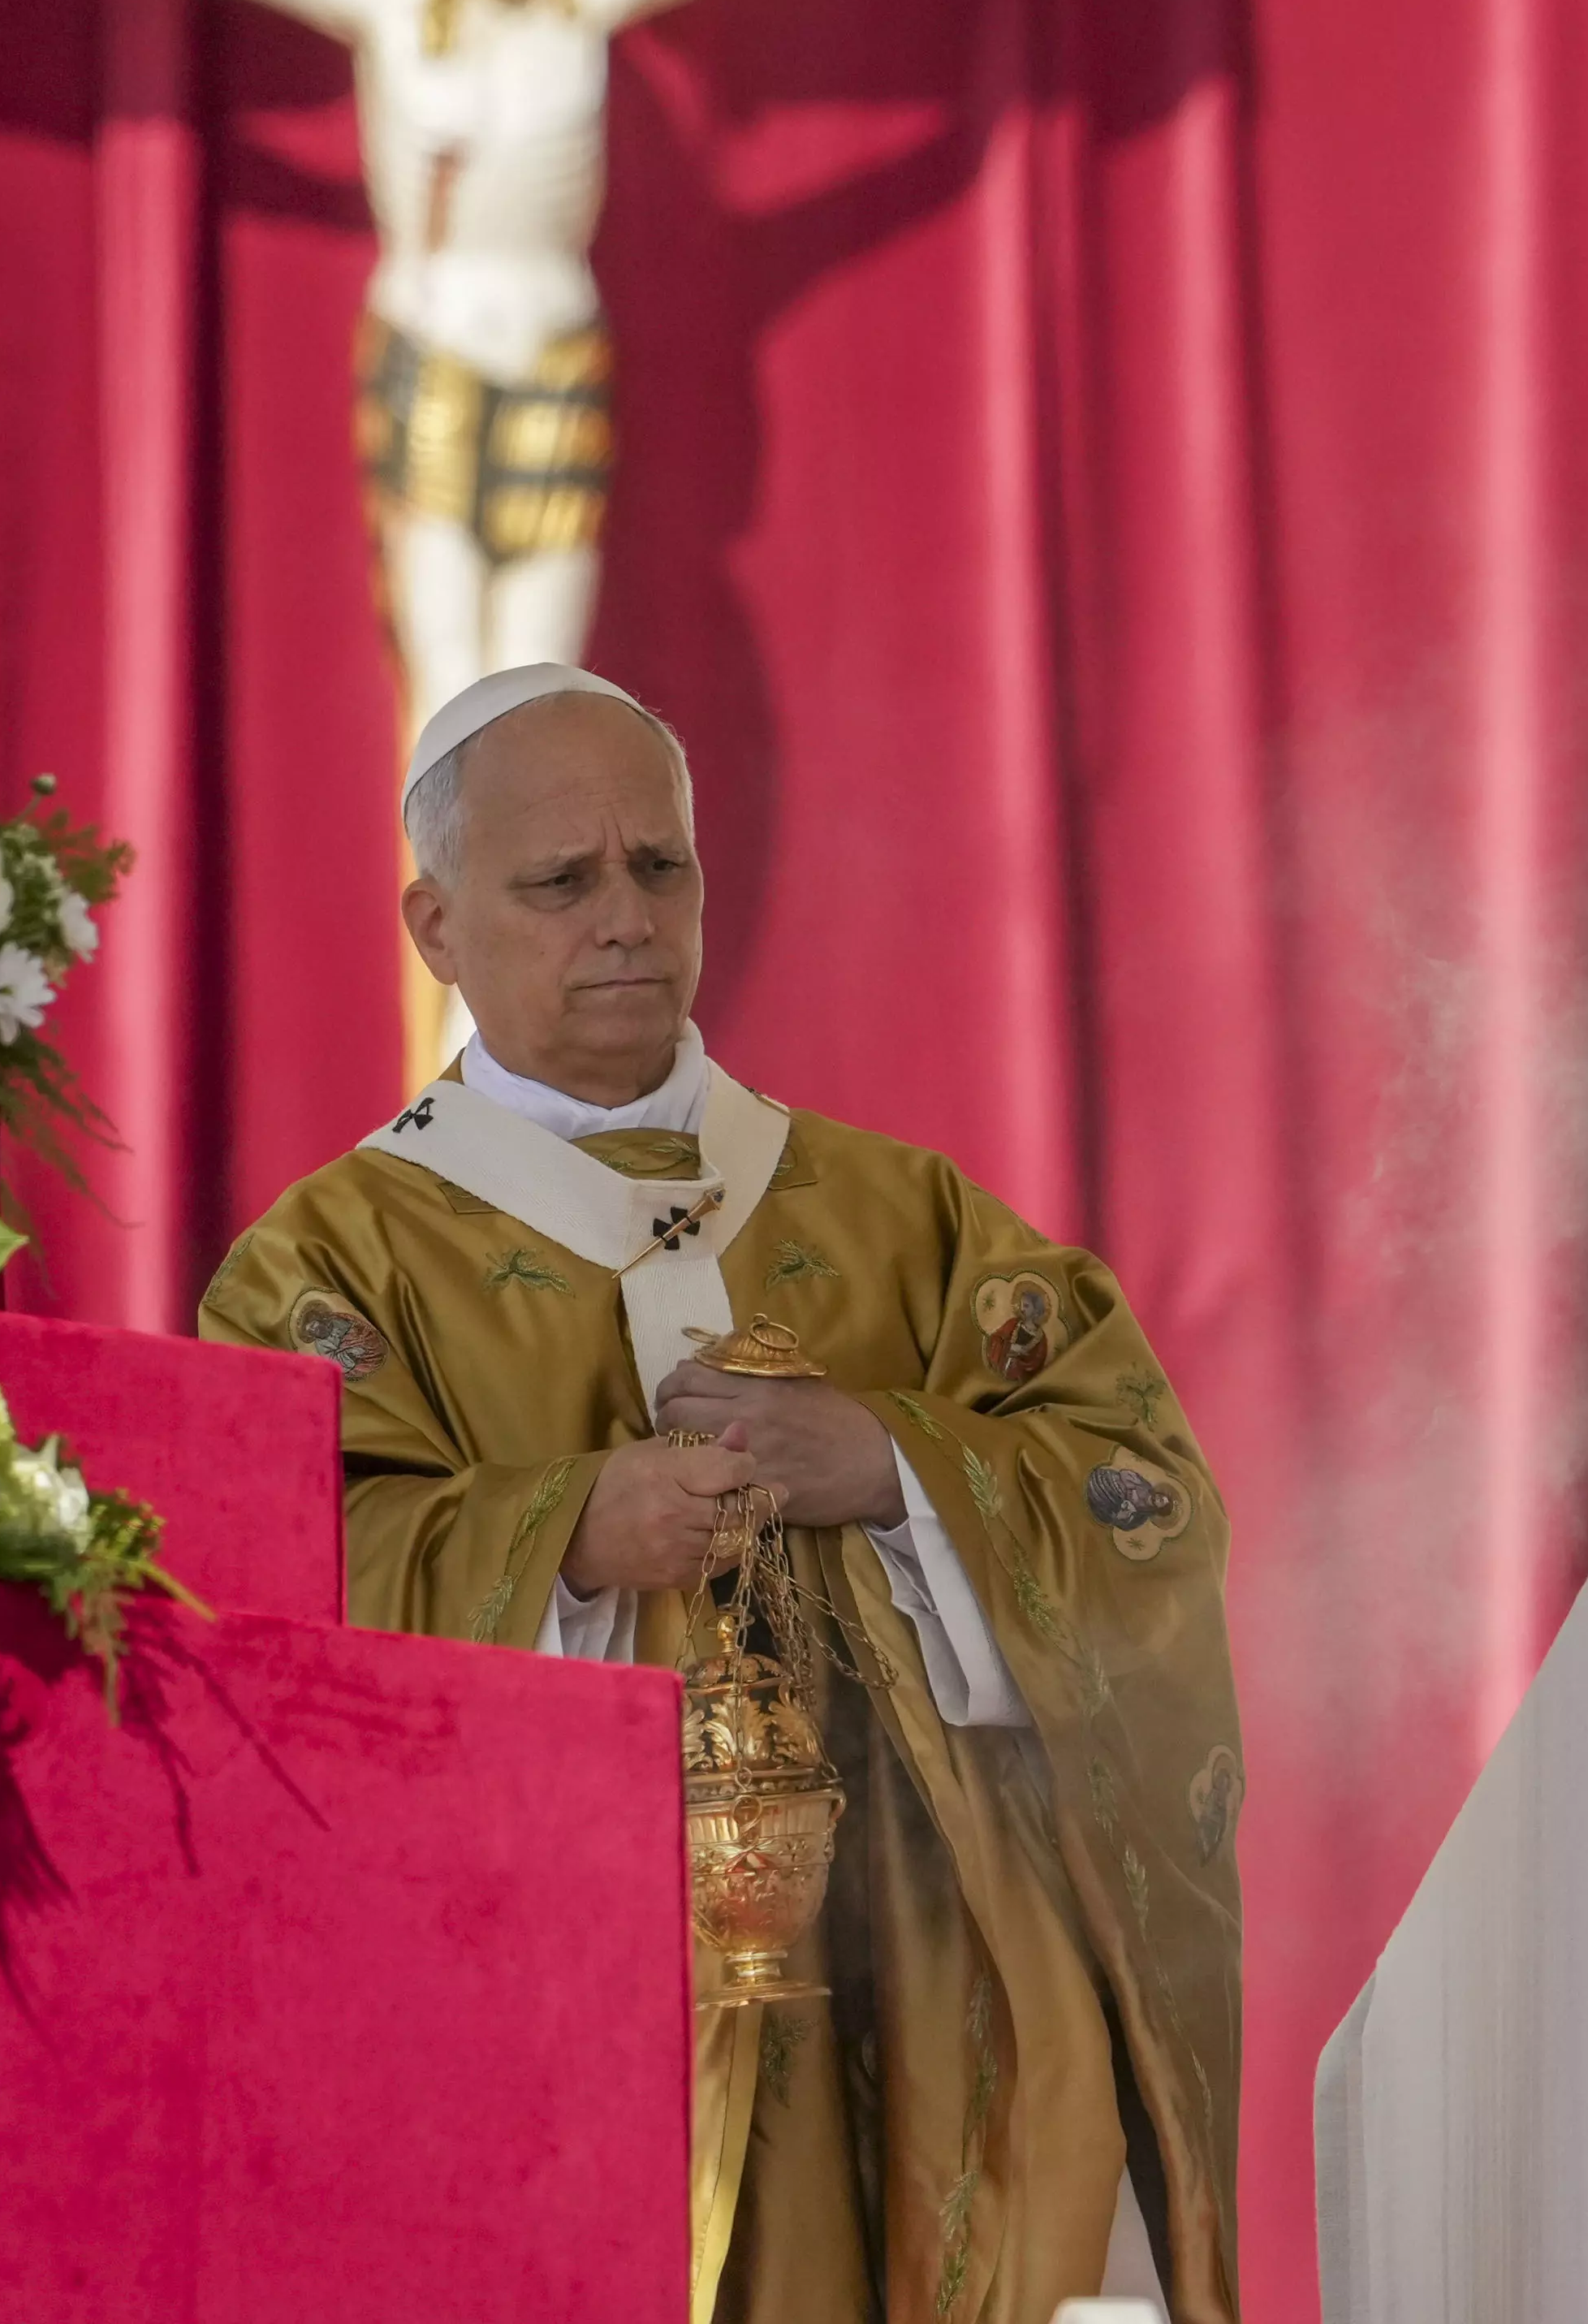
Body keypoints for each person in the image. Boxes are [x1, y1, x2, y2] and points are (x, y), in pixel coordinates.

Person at [196, 664, 1241, 2321]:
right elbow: (258, 1614)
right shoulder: (331, 1268)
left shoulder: (903, 1218)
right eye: (562, 880)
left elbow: (1143, 1498)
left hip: (923, 1998)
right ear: (436, 923)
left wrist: (893, 1465)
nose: (626, 917)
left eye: (659, 865)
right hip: (554, 2010)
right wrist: (565, 1538)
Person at [0, 0, 1124, 757]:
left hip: (554, 355)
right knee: (448, 681)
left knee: (543, 689)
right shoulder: (385, 8)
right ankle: (472, 1000)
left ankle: (515, 1010)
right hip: (432, 351)